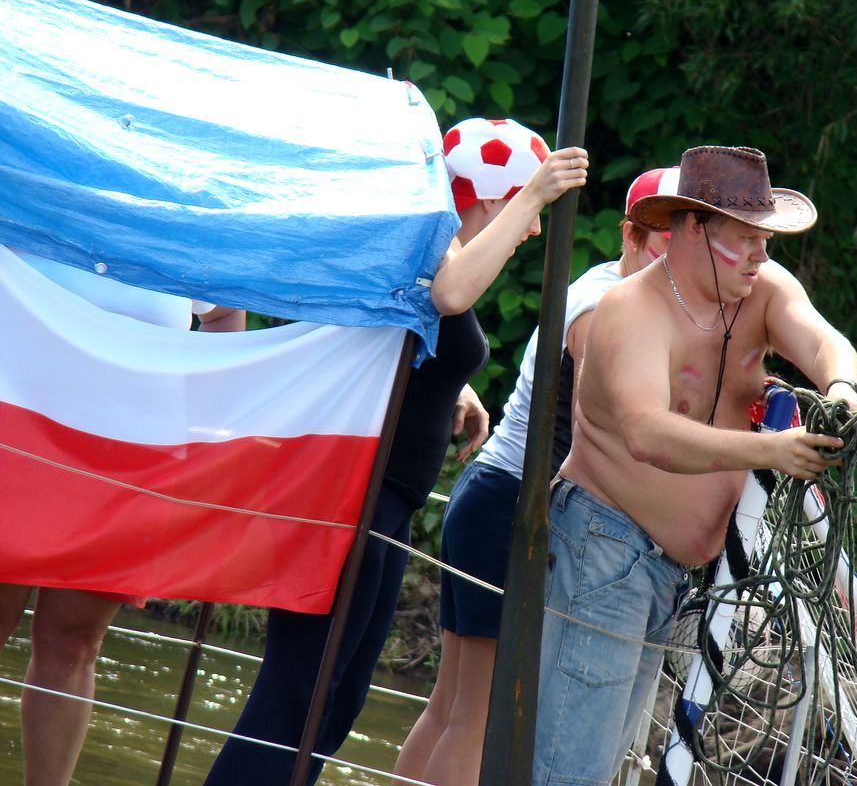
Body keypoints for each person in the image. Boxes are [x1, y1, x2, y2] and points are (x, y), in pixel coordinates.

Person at [203, 118, 589, 786]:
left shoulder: (432, 250)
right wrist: (535, 195)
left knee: (337, 699)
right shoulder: (421, 238)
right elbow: (448, 292)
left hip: (386, 500)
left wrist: (454, 386)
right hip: (348, 495)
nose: (532, 232)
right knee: (296, 694)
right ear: (493, 199)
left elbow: (412, 321)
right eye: (524, 211)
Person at [533, 145, 857, 786]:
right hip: (603, 546)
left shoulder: (764, 290)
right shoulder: (629, 309)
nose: (760, 255)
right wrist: (772, 451)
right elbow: (646, 434)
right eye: (745, 238)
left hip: (672, 572)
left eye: (765, 239)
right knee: (568, 767)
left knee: (592, 766)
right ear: (693, 227)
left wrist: (845, 391)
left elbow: (824, 340)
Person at [393, 166, 680, 786]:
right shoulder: (604, 306)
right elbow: (609, 441)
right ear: (631, 235)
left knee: (452, 705)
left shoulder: (626, 298)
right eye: (666, 239)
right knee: (481, 713)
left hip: (490, 495)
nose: (678, 256)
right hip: (510, 505)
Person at [0, 252, 244, 786]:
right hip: (18, 423)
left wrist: (206, 419)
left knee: (74, 640)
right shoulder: (33, 171)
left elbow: (223, 314)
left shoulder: (196, 206)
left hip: (133, 449)